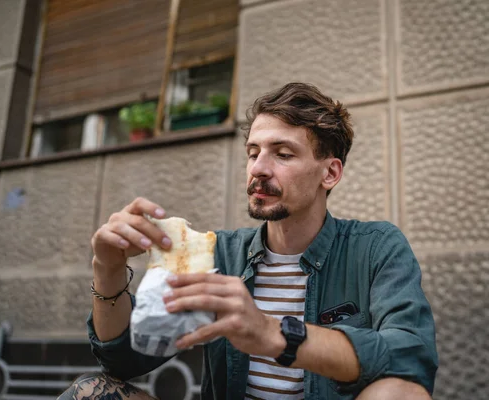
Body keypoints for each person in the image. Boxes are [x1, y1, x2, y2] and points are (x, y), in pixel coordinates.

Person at [59, 83, 438, 400]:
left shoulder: (374, 247)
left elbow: (410, 358)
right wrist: (107, 268)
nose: (258, 168)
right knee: (91, 390)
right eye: (253, 153)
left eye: (282, 154)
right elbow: (124, 362)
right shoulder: (220, 253)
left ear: (330, 173)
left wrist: (275, 334)